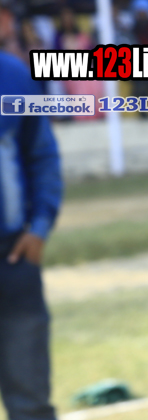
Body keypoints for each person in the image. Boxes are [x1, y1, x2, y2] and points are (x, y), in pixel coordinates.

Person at [0, 50, 63, 420]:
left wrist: (39, 226)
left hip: (13, 258)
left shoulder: (12, 75)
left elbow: (42, 154)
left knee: (31, 403)